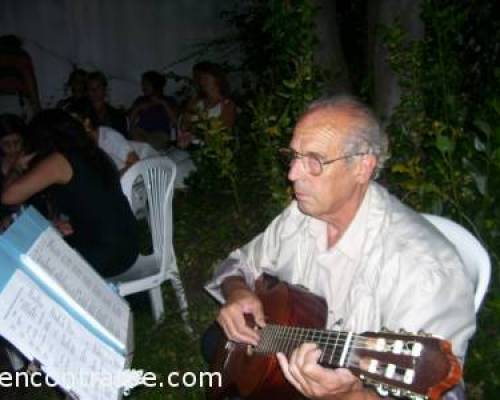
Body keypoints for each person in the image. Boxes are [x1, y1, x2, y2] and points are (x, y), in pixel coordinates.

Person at [204, 96, 476, 399]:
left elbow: (447, 393)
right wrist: (237, 291)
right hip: (286, 365)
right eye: (293, 156)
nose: (292, 174)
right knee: (214, 342)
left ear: (362, 167)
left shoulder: (422, 269)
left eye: (314, 161)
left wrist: (353, 397)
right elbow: (236, 264)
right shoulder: (301, 216)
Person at [1, 109, 139, 278]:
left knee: (25, 261)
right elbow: (94, 204)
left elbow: (8, 196)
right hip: (128, 244)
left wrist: (17, 166)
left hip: (105, 253)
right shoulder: (94, 153)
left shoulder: (60, 161)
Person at [67, 99, 139, 175]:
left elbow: (137, 164)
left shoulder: (109, 137)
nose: (69, 129)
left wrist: (112, 178)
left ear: (86, 123)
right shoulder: (81, 144)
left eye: (73, 124)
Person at [178, 62, 236, 148]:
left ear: (217, 79)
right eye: (201, 78)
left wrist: (196, 131)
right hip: (189, 146)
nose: (202, 81)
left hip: (209, 150)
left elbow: (223, 134)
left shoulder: (227, 105)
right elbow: (184, 125)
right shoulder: (195, 101)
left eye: (206, 77)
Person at [129, 70, 177, 150]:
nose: (143, 88)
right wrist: (138, 108)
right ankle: (142, 151)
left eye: (146, 84)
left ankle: (144, 151)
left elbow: (175, 121)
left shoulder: (169, 100)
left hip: (160, 134)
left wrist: (163, 104)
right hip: (142, 131)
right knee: (134, 133)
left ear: (155, 85)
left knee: (148, 146)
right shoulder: (140, 100)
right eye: (143, 84)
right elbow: (130, 120)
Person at [87, 71, 128, 138]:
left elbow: (122, 140)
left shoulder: (117, 116)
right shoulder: (82, 113)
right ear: (87, 91)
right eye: (90, 88)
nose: (94, 91)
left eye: (98, 87)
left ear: (105, 89)